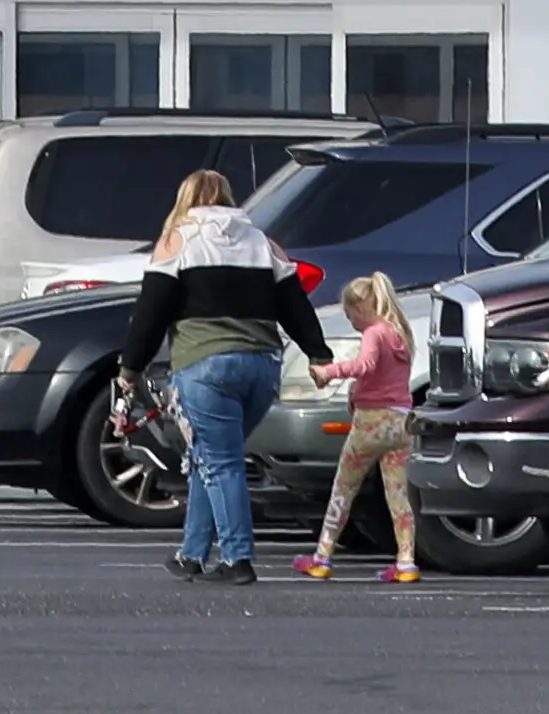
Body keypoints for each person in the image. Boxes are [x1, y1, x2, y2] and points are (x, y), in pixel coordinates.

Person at [118, 169, 326, 586]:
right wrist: (318, 353)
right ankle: (191, 554)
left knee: (220, 462)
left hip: (206, 366)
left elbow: (151, 311)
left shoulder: (179, 239)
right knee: (208, 459)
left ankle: (237, 558)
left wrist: (130, 368)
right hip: (262, 366)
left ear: (186, 199)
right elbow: (294, 305)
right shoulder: (262, 242)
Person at [299, 271, 419, 584]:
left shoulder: (374, 333)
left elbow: (365, 366)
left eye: (349, 315)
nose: (351, 321)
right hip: (401, 422)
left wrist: (329, 372)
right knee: (398, 496)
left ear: (360, 308)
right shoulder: (400, 334)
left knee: (344, 489)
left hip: (371, 422)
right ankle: (406, 561)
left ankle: (322, 555)